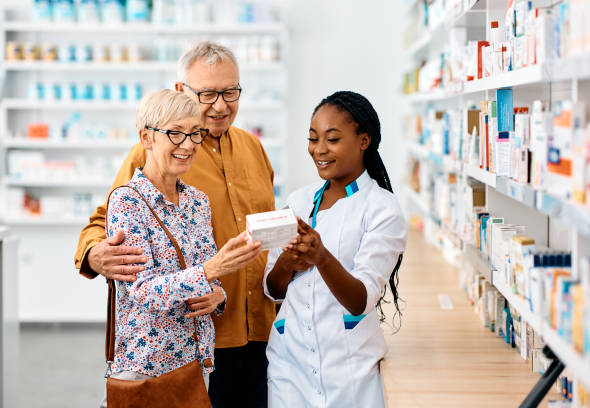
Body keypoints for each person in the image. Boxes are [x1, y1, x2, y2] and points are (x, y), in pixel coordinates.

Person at [75, 42, 275, 407]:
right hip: (176, 348)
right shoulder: (153, 151)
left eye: (230, 92)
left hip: (254, 328)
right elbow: (104, 221)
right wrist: (93, 255)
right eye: (208, 93)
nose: (220, 104)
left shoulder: (253, 149)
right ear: (181, 90)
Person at [102, 89, 261, 405]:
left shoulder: (197, 202)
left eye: (194, 134)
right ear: (146, 138)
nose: (188, 145)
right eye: (175, 133)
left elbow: (210, 283)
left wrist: (218, 295)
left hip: (196, 364)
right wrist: (211, 270)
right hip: (145, 369)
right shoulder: (127, 202)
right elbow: (142, 291)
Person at [264, 91, 407, 408]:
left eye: (332, 139)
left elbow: (361, 300)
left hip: (349, 370)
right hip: (289, 365)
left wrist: (321, 258)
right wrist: (288, 260)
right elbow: (274, 290)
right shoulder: (298, 201)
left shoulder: (383, 209)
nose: (319, 150)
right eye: (313, 139)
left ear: (363, 141)